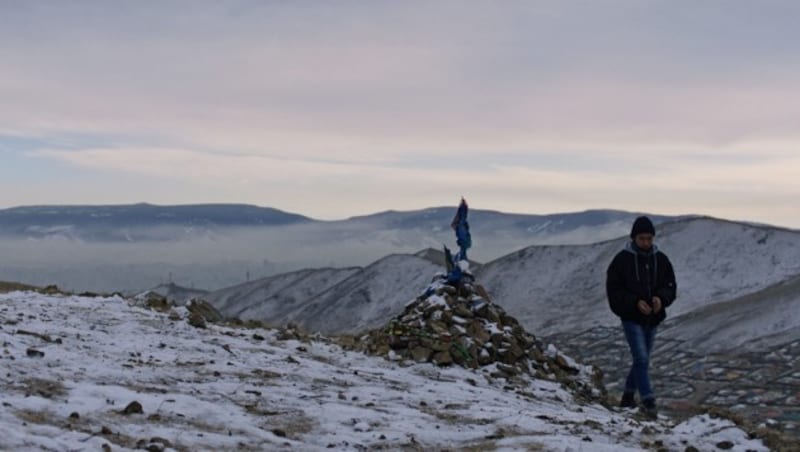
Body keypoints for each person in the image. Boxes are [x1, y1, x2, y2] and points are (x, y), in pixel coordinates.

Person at [606, 216, 677, 419]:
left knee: (641, 361)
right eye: (642, 238)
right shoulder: (622, 261)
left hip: (652, 318)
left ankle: (628, 397)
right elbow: (614, 291)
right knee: (641, 358)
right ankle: (648, 401)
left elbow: (670, 285)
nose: (646, 242)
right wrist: (635, 302)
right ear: (634, 238)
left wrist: (660, 299)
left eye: (649, 238)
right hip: (631, 318)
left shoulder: (660, 260)